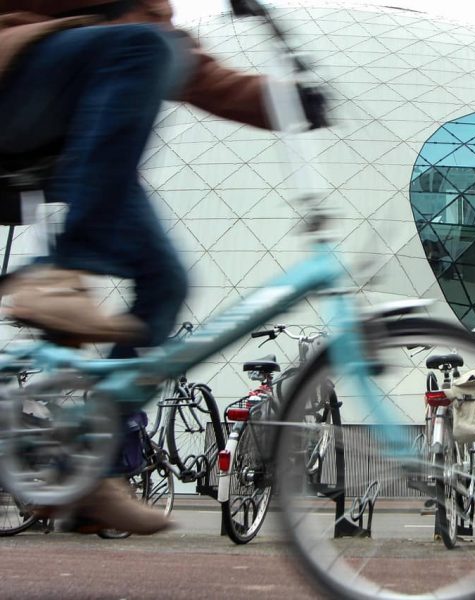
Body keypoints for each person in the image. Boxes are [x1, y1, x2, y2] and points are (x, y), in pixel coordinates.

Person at [0, 0, 324, 534]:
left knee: (166, 282)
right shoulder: (137, 31)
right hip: (15, 84)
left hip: (79, 155)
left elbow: (204, 76)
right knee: (143, 47)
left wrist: (289, 101)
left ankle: (91, 473)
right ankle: (61, 273)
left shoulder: (153, 21)